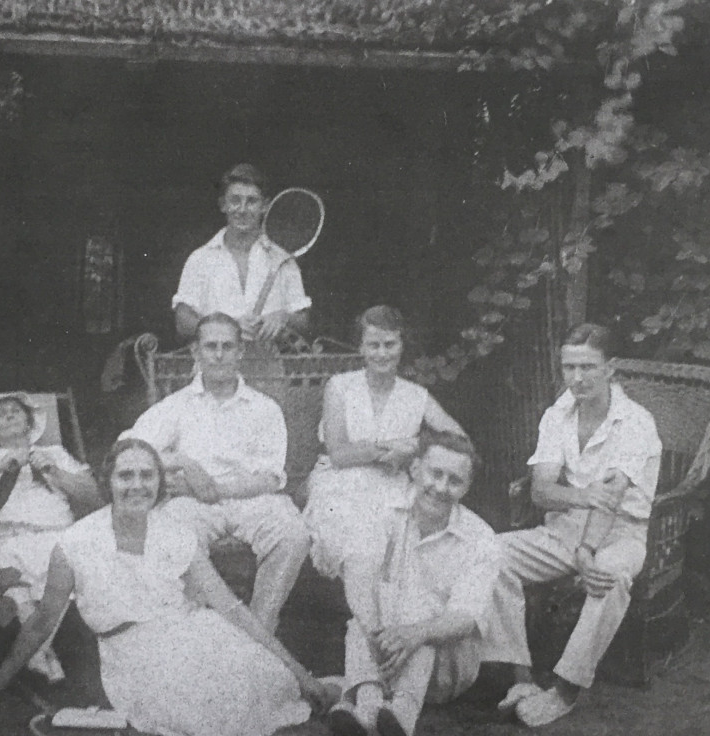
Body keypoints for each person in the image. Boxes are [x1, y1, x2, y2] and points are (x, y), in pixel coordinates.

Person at [0, 439, 339, 736]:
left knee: (272, 681)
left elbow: (230, 607)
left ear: (159, 483)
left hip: (195, 632)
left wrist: (302, 675)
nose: (137, 485)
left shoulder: (176, 532)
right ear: (108, 482)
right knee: (223, 708)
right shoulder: (75, 542)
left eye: (147, 475)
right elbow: (41, 622)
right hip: (134, 657)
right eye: (125, 475)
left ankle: (348, 699)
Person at [482, 323, 662, 727]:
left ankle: (565, 690)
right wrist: (581, 500)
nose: (577, 378)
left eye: (588, 367)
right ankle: (520, 677)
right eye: (569, 368)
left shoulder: (636, 422)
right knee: (489, 552)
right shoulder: (557, 414)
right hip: (563, 528)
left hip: (621, 531)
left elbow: (612, 499)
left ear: (611, 368)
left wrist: (587, 551)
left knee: (609, 576)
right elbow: (541, 491)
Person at [120, 312, 310, 633]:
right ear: (196, 352)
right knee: (175, 533)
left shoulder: (264, 408)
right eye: (210, 346)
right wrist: (183, 462)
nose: (219, 354)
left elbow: (269, 478)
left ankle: (260, 629)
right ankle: (206, 629)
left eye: (227, 346)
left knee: (294, 533)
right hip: (194, 504)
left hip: (251, 498)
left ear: (240, 352)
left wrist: (215, 489)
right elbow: (127, 449)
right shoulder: (178, 405)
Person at [327, 431, 499, 736]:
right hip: (381, 649)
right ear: (415, 469)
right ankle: (386, 720)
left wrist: (415, 633)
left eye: (454, 480)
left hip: (444, 667)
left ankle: (370, 709)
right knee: (367, 612)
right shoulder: (380, 510)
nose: (440, 487)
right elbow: (358, 575)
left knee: (421, 612)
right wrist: (378, 631)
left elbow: (464, 619)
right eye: (435, 474)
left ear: (466, 488)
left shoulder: (481, 539)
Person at [304, 306, 468, 651]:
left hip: (392, 486)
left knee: (395, 543)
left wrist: (413, 448)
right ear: (361, 348)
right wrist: (389, 447)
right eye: (374, 345)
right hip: (341, 484)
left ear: (401, 346)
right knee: (360, 546)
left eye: (390, 345)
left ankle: (383, 641)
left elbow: (459, 439)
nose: (382, 354)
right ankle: (376, 636)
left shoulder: (415, 395)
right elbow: (340, 453)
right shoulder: (341, 387)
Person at [0, 393, 102, 681]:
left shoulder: (55, 452)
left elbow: (93, 496)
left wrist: (53, 469)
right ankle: (41, 653)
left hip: (57, 532)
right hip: (9, 533)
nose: (9, 415)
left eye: (16, 411)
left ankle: (35, 654)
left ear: (29, 423)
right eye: (1, 414)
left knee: (57, 562)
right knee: (17, 565)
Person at [173, 163, 311, 344]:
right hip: (215, 367)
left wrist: (283, 317)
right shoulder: (199, 259)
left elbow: (303, 320)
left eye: (252, 201)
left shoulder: (283, 259)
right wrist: (227, 328)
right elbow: (183, 322)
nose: (243, 209)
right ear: (223, 205)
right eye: (235, 200)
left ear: (265, 206)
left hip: (268, 369)